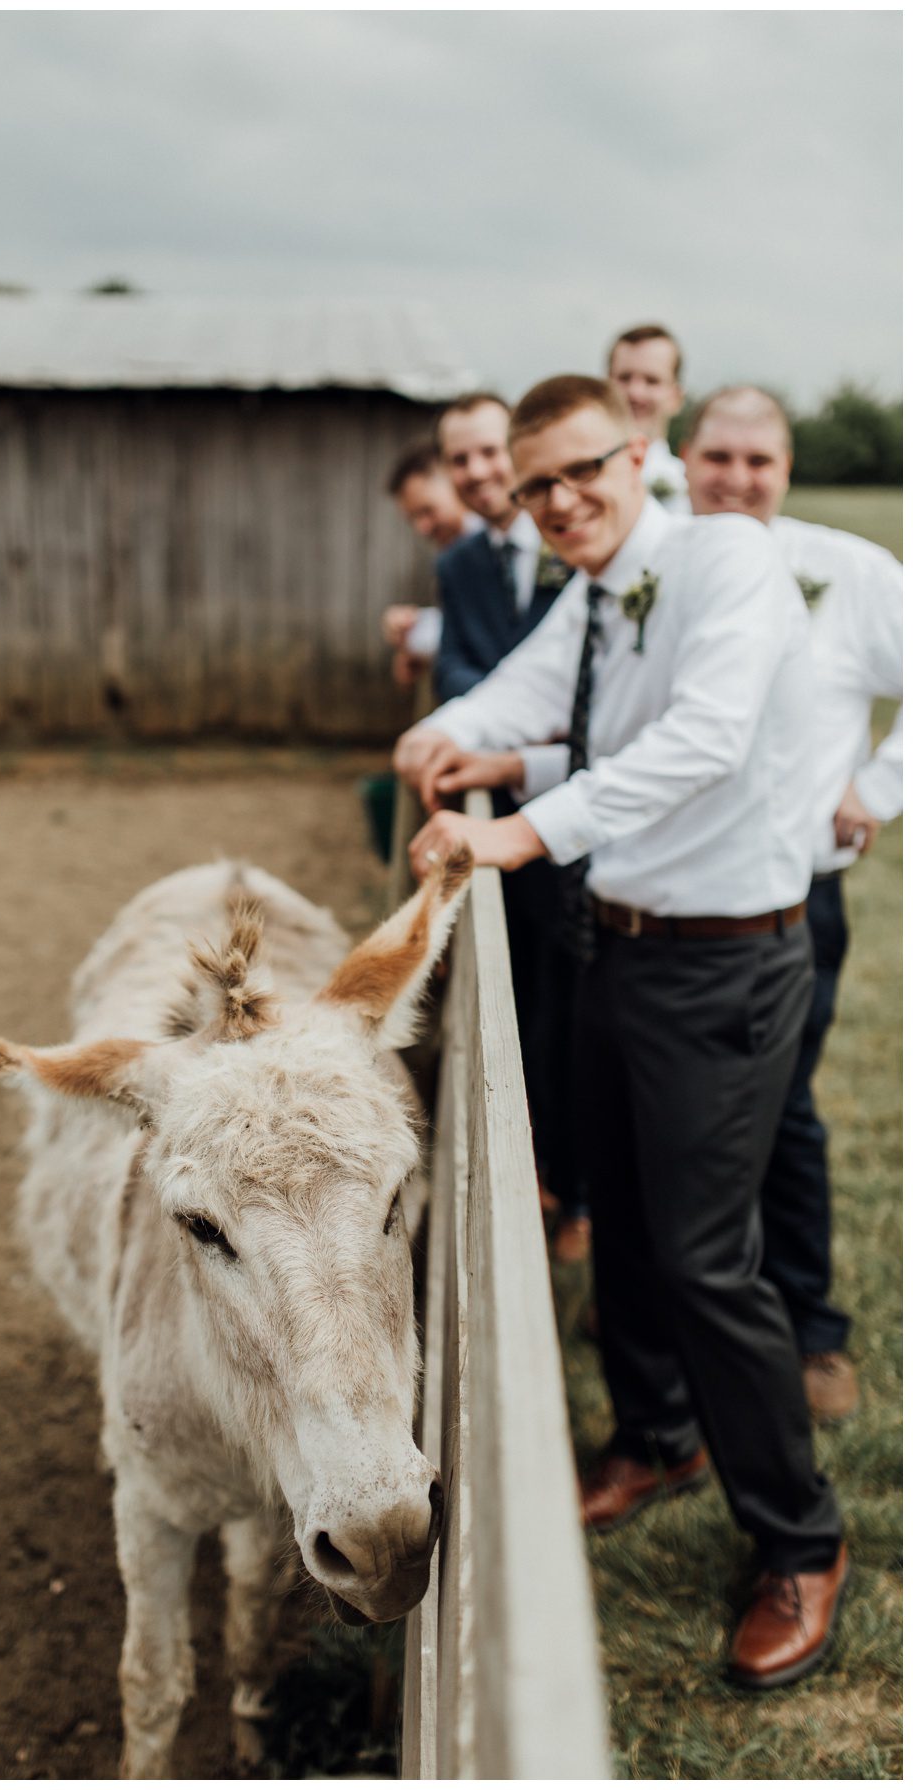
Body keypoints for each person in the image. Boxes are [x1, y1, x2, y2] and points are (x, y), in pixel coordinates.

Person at [395, 374, 846, 1688]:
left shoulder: (725, 560)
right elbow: (523, 698)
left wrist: (516, 829)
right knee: (624, 1223)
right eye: (538, 485)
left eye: (584, 469)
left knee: (710, 1259)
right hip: (617, 950)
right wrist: (442, 735)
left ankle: (800, 1541)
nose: (562, 500)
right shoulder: (593, 591)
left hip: (729, 963)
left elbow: (705, 737)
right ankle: (656, 1432)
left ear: (641, 453)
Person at [681, 384, 903, 1423]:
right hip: (677, 894)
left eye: (757, 461)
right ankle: (689, 1312)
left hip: (795, 898)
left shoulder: (849, 573)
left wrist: (880, 786)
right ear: (684, 458)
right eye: (717, 457)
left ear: (787, 467)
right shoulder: (659, 563)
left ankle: (811, 1328)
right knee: (687, 1113)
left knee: (782, 1109)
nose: (734, 479)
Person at [431, 391, 588, 1260]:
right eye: (463, 460)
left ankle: (581, 1194)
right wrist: (500, 713)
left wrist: (508, 717)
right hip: (509, 822)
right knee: (523, 996)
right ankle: (539, 1178)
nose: (482, 473)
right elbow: (457, 667)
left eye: (492, 454)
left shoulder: (577, 548)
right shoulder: (459, 565)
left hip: (586, 822)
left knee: (581, 1011)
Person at [381, 441, 480, 687]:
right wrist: (415, 634)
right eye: (413, 518)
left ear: (454, 483)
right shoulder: (452, 559)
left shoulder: (497, 546)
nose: (422, 528)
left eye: (427, 510)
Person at [607, 324, 690, 512]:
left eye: (652, 381)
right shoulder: (569, 478)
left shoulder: (690, 485)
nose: (635, 393)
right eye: (624, 378)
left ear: (676, 398)